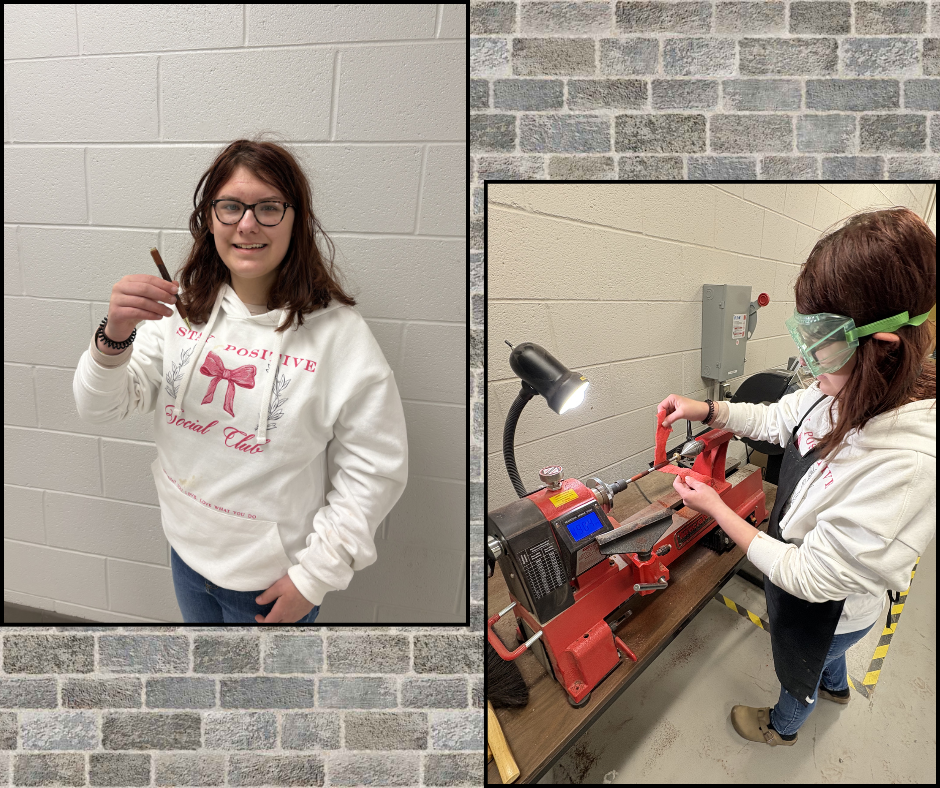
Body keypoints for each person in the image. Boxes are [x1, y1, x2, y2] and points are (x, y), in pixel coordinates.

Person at [73, 137, 408, 623]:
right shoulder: (181, 310)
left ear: (296, 219)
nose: (247, 224)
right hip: (185, 554)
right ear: (209, 217)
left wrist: (315, 577)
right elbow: (98, 407)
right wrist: (114, 336)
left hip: (272, 583)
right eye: (230, 206)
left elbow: (375, 469)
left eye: (268, 207)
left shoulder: (341, 336)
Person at [658, 206, 935, 746]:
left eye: (822, 339)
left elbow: (810, 577)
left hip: (830, 609)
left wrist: (715, 508)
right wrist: (708, 410)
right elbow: (777, 419)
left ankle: (783, 729)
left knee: (800, 671)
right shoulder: (849, 385)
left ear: (883, 346)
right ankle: (838, 687)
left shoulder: (905, 464)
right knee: (829, 664)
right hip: (809, 575)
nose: (808, 360)